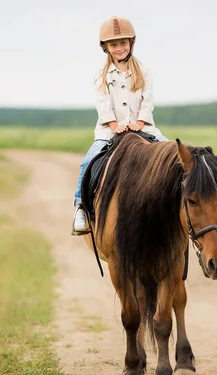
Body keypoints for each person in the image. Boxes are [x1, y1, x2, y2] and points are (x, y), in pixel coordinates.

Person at [72, 16, 168, 234]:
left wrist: (140, 121)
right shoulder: (101, 75)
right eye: (114, 44)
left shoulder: (143, 72)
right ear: (106, 47)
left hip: (143, 127)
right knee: (88, 161)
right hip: (109, 131)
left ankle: (178, 206)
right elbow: (103, 103)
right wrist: (114, 125)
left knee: (173, 155)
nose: (119, 48)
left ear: (131, 43)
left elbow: (148, 99)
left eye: (123, 43)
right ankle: (80, 206)